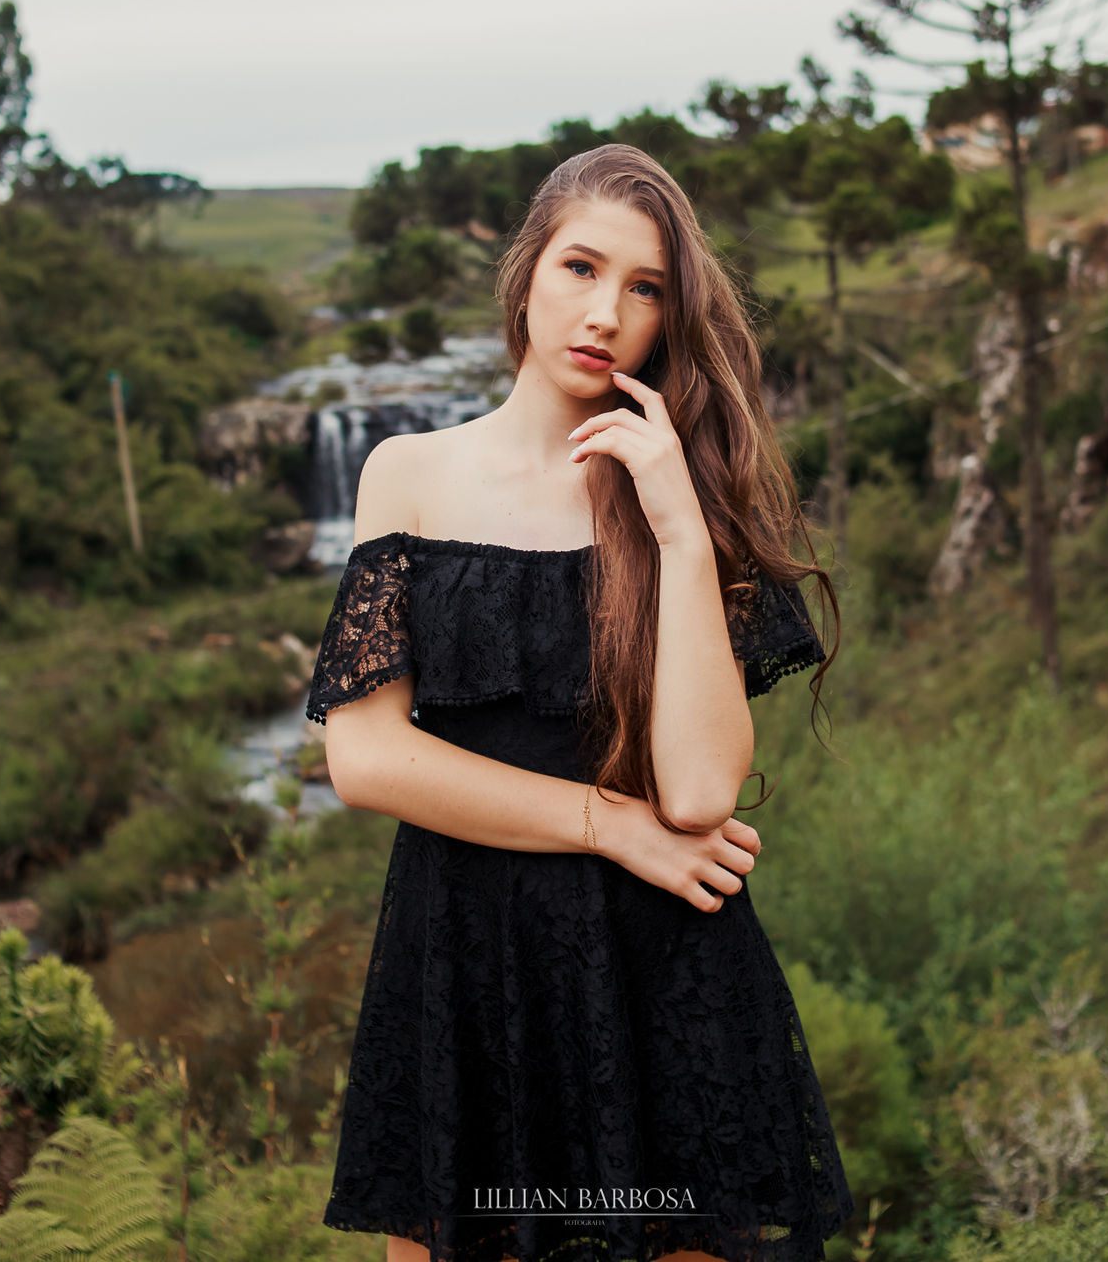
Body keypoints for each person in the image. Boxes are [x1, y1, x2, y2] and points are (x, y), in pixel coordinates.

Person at [307, 144, 855, 1262]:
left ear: (668, 317)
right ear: (526, 276)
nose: (605, 312)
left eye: (645, 288)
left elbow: (701, 791)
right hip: (464, 961)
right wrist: (615, 828)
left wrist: (675, 529)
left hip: (663, 972)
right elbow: (365, 762)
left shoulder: (684, 500)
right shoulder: (406, 473)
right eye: (580, 268)